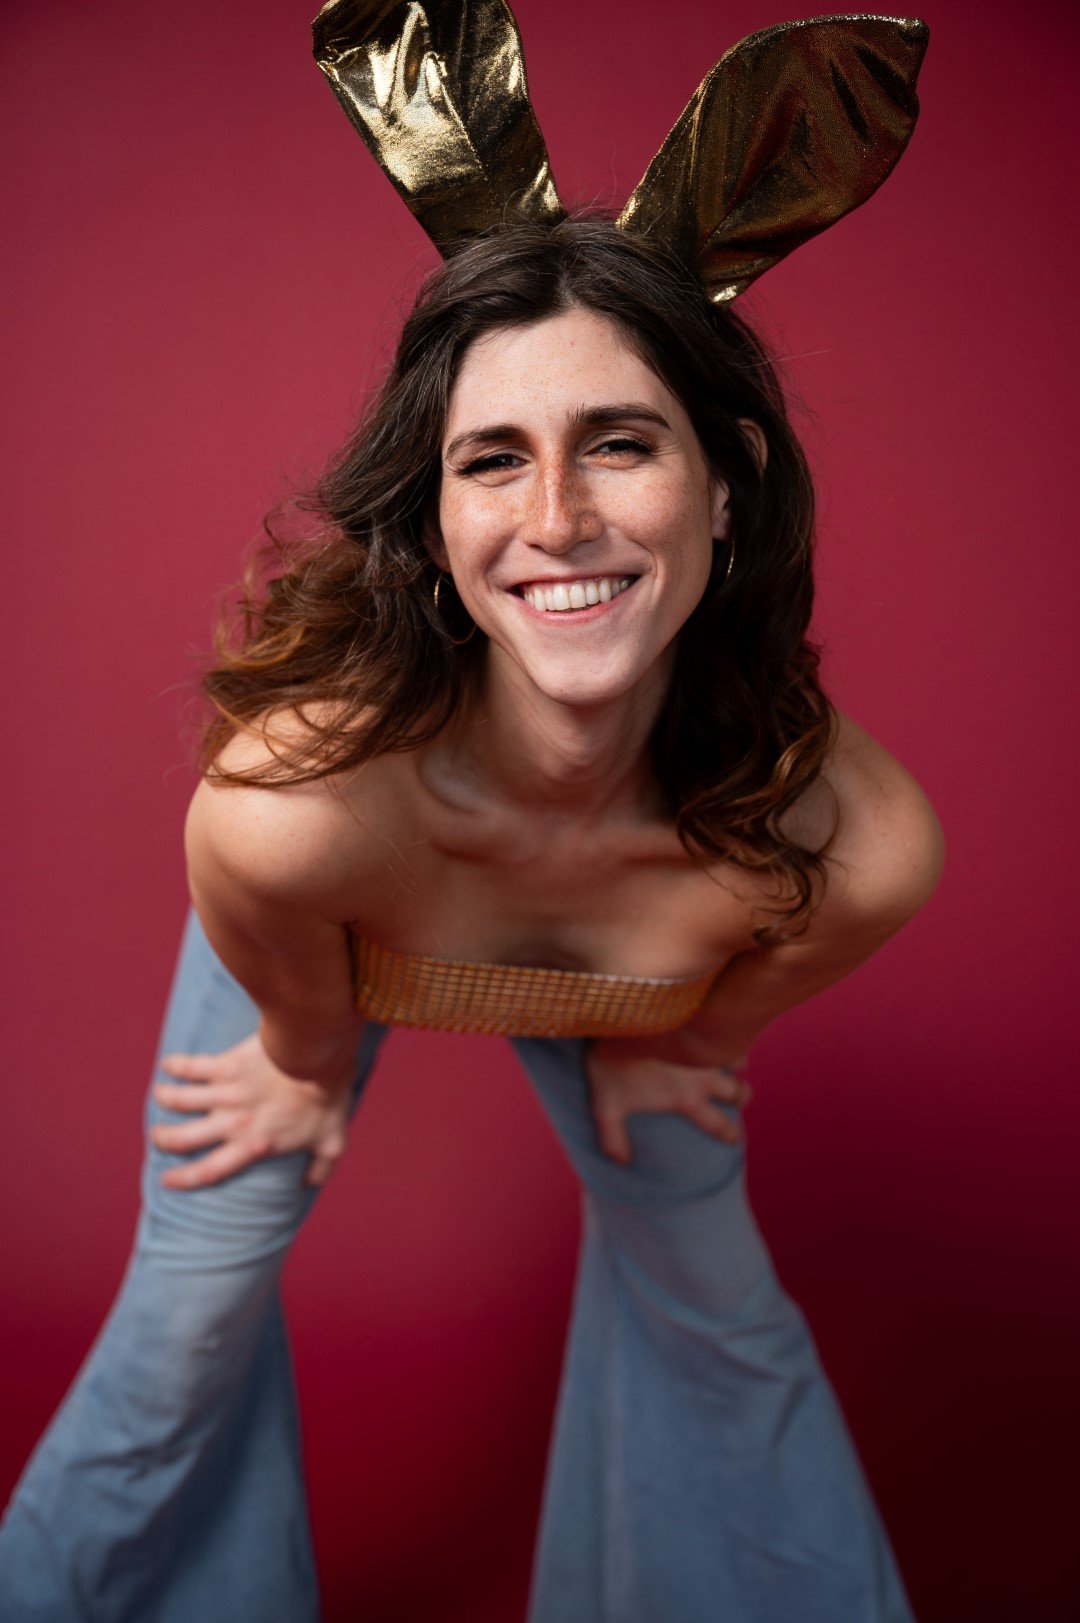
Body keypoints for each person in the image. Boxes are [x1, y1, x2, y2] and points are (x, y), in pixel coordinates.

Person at [0, 5, 939, 1620]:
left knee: (728, 1326)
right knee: (183, 1336)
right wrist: (302, 1058)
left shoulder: (841, 841)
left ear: (726, 482)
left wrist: (690, 1040)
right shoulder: (293, 810)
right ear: (435, 526)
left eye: (621, 443)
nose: (557, 519)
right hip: (336, 947)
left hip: (643, 961)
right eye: (492, 459)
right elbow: (281, 939)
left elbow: (825, 927)